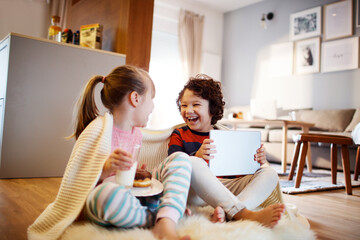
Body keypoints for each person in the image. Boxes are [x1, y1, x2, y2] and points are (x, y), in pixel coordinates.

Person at [28, 65, 192, 240]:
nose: (153, 106)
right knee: (107, 195)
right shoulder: (98, 129)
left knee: (180, 160)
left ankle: (165, 221)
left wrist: (135, 172)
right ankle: (158, 216)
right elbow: (77, 180)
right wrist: (104, 169)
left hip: (132, 196)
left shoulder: (136, 133)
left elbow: (126, 175)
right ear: (135, 98)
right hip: (102, 200)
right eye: (151, 98)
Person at [168, 74, 285, 227]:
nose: (188, 110)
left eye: (195, 105)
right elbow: (172, 164)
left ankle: (233, 212)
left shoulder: (225, 135)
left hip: (225, 189)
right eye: (184, 105)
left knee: (269, 173)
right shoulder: (179, 134)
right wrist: (196, 156)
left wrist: (256, 161)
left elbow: (238, 174)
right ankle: (242, 213)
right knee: (193, 162)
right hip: (196, 193)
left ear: (212, 109)